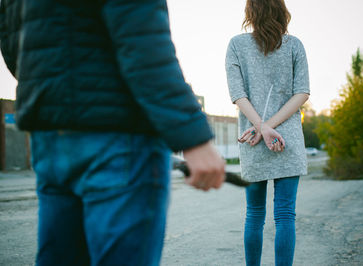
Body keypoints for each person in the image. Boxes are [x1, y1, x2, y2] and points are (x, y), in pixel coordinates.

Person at [0, 0, 225, 265]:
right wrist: (194, 137)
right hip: (118, 136)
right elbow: (142, 39)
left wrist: (57, 93)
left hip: (52, 136)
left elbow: (13, 38)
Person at [225, 0, 310, 265]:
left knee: (254, 215)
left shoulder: (236, 45)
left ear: (251, 12)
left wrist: (261, 127)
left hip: (253, 140)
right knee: (285, 215)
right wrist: (270, 127)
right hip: (288, 139)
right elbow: (302, 93)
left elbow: (237, 95)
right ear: (281, 11)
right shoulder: (294, 45)